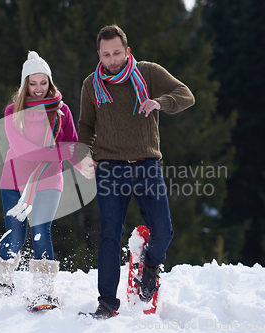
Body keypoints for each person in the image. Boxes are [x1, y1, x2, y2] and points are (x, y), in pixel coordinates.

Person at [78, 25, 195, 319]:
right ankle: (107, 303)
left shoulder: (148, 73)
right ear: (99, 54)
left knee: (164, 230)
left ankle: (150, 267)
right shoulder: (91, 84)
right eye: (106, 55)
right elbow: (86, 125)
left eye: (117, 52)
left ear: (127, 51)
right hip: (110, 169)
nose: (112, 59)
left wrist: (160, 102)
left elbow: (186, 95)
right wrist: (84, 155)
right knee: (109, 235)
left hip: (146, 165)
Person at [0, 51, 78, 311]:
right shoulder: (12, 112)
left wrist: (86, 163)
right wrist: (60, 153)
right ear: (25, 83)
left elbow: (72, 143)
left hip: (50, 177)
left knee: (40, 229)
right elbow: (24, 150)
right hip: (15, 178)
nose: (39, 89)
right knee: (16, 236)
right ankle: (2, 279)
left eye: (43, 83)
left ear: (50, 82)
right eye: (33, 83)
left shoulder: (61, 110)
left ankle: (43, 292)